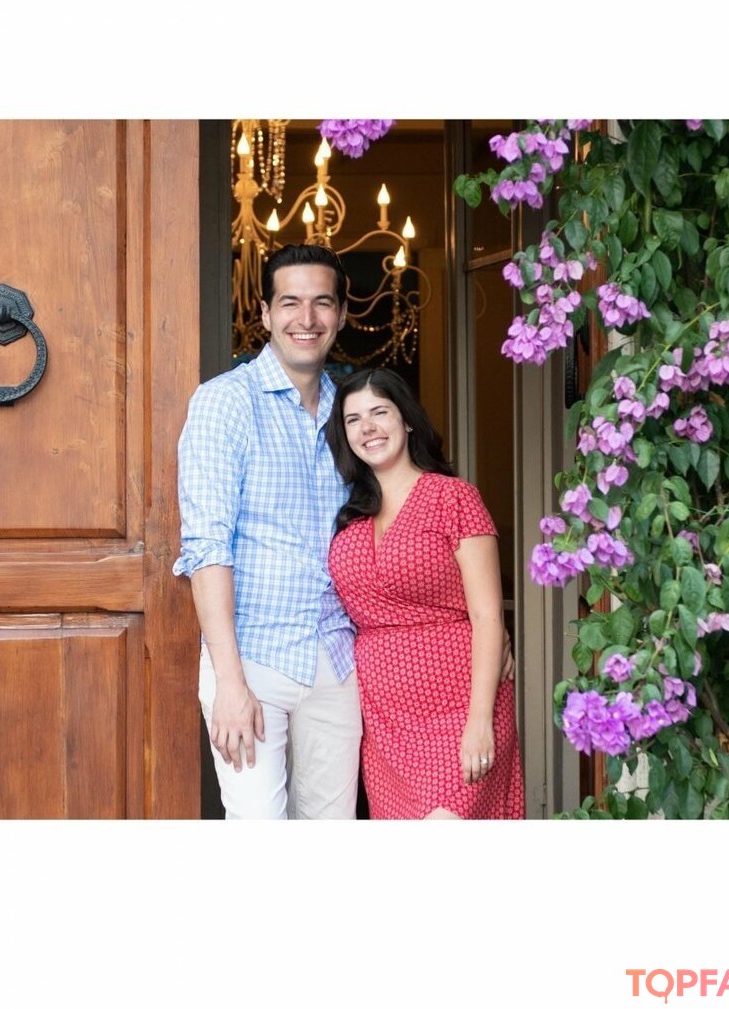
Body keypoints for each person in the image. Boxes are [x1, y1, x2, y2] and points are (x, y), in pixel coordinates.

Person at [173, 244, 363, 819]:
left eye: (322, 302)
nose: (307, 319)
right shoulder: (225, 403)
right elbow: (207, 548)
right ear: (265, 313)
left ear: (342, 313)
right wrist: (229, 682)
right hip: (253, 660)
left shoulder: (353, 412)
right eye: (290, 302)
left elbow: (396, 522)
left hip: (336, 658)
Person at [327, 367, 525, 819]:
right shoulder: (349, 514)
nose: (368, 427)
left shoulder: (454, 498)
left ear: (407, 419)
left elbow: (488, 616)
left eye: (380, 412)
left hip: (460, 708)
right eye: (354, 419)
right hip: (385, 724)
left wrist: (480, 721)